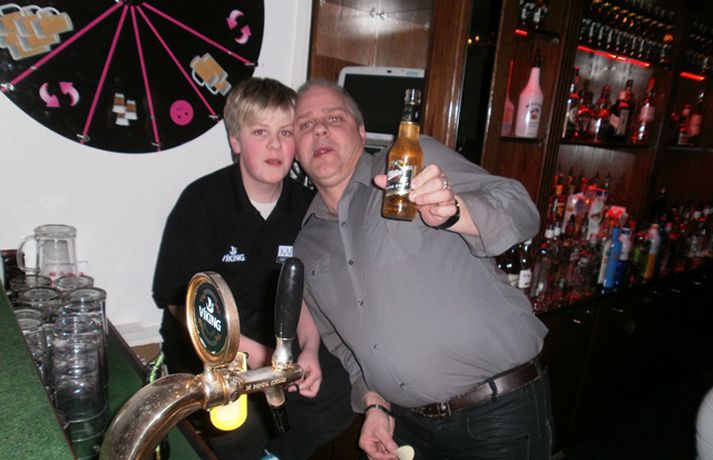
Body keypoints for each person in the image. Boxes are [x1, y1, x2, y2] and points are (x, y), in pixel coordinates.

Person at [292, 78, 553, 460]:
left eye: (333, 118)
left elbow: (521, 209)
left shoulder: (412, 162)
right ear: (295, 148)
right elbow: (346, 347)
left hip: (498, 417)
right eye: (305, 124)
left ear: (361, 132)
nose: (319, 130)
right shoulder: (306, 246)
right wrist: (375, 405)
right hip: (406, 427)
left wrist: (456, 212)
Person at [152, 77, 354, 460]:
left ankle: (275, 454)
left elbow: (307, 295)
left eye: (285, 133)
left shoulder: (306, 205)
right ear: (235, 141)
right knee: (237, 426)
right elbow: (180, 303)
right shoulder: (203, 201)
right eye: (260, 132)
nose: (275, 145)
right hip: (208, 346)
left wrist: (309, 350)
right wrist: (261, 359)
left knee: (338, 386)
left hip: (279, 342)